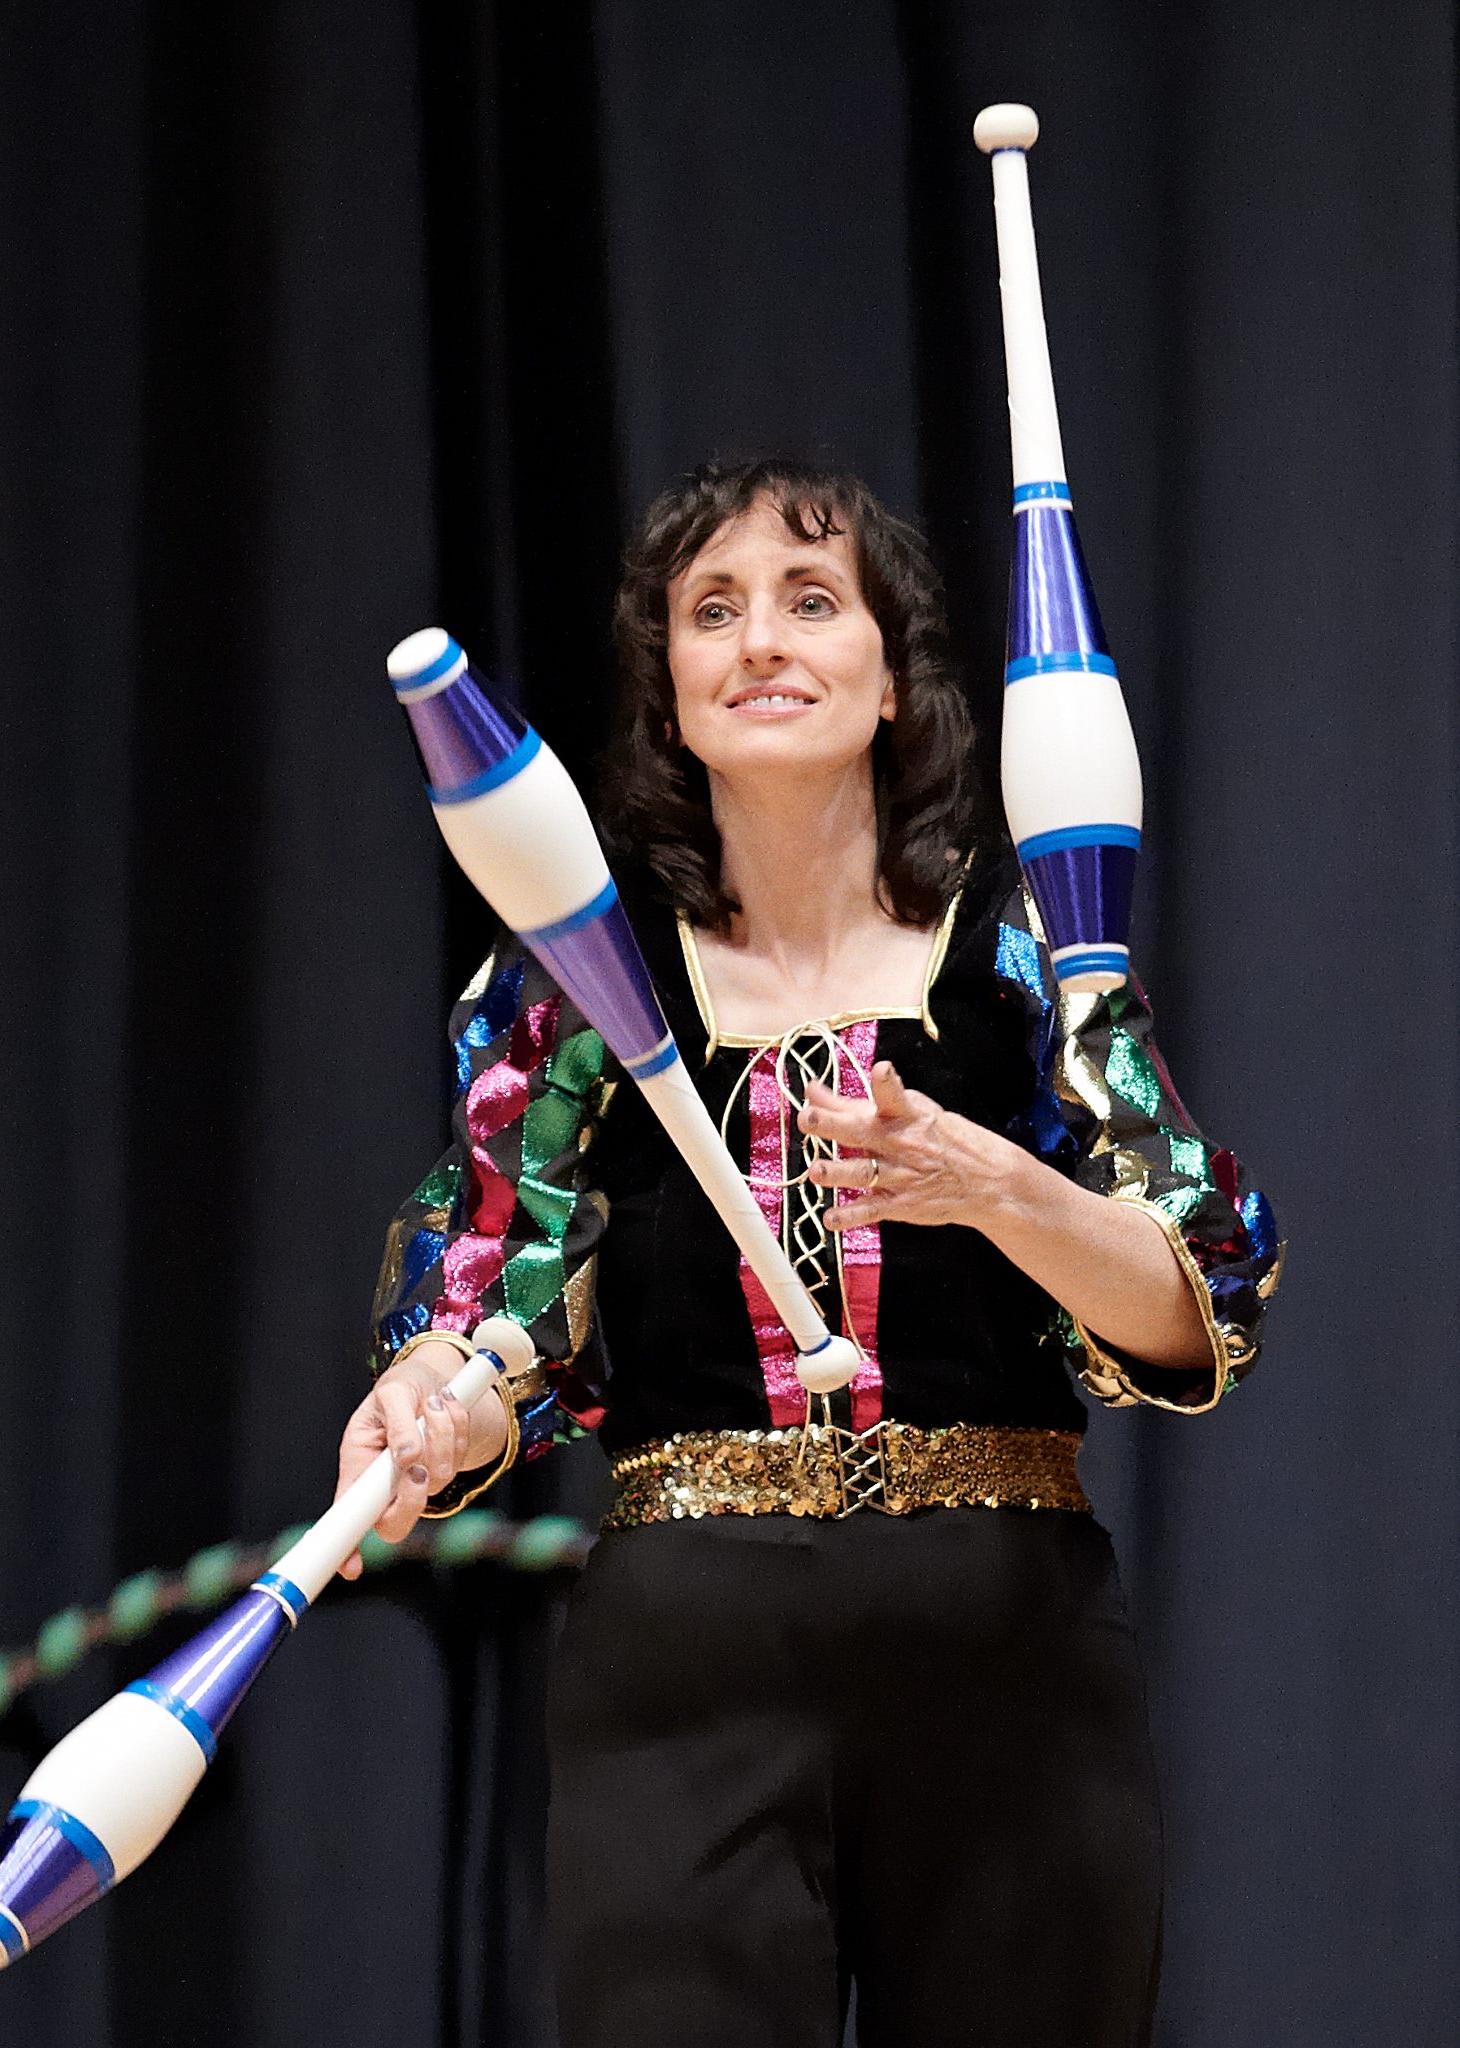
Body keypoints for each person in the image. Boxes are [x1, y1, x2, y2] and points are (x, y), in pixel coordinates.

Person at [334, 458, 1283, 2047]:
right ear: (672, 695)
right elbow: (502, 1308)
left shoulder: (1028, 955)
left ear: (894, 679)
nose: (759, 638)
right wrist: (431, 1402)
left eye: (808, 599)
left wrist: (1004, 1193)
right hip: (685, 1670)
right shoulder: (577, 980)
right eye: (713, 611)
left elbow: (1202, 1304)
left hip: (1008, 1665)